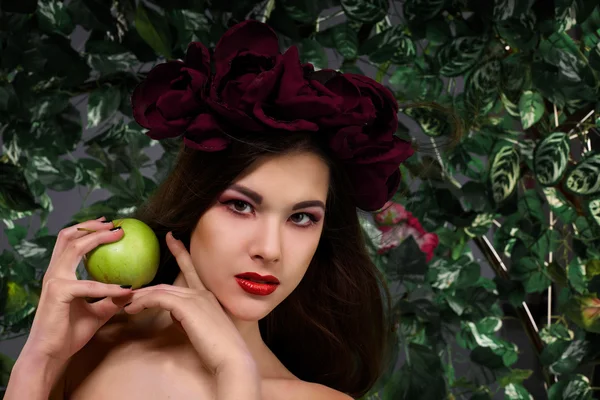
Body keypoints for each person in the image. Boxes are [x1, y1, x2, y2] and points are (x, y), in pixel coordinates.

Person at [5, 20, 414, 400]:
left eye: (302, 218)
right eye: (240, 206)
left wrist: (234, 373)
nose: (269, 250)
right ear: (191, 205)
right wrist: (39, 360)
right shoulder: (86, 352)